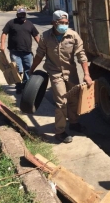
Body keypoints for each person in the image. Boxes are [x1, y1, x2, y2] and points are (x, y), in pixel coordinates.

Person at [29, 10, 93, 144]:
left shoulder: (73, 35)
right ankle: (60, 131)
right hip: (55, 73)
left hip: (71, 73)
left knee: (74, 99)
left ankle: (74, 123)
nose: (64, 25)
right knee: (61, 102)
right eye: (61, 23)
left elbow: (81, 55)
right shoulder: (46, 37)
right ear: (53, 23)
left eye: (66, 22)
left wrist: (86, 74)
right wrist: (32, 69)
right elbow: (39, 55)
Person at [0, 8, 40, 94]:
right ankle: (18, 85)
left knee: (28, 69)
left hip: (27, 52)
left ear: (25, 15)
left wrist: (41, 46)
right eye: (20, 14)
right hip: (15, 51)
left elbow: (36, 36)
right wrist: (2, 45)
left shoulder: (30, 24)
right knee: (16, 69)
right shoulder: (11, 23)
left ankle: (25, 85)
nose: (21, 16)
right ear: (17, 15)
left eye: (23, 14)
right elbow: (4, 33)